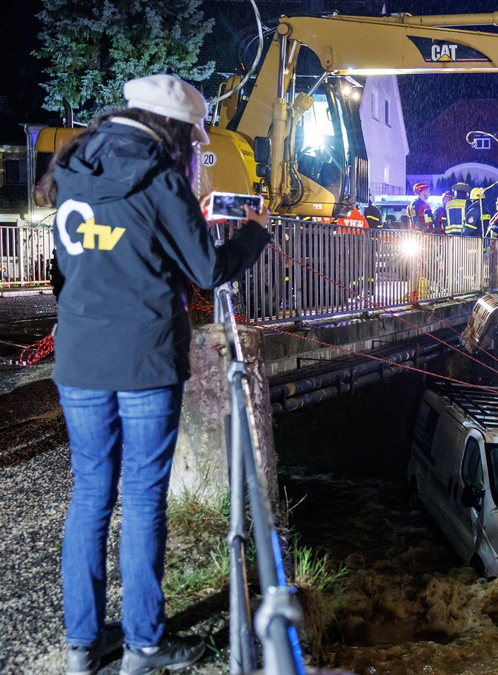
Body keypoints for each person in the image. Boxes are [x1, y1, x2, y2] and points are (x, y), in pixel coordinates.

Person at [42, 74, 271, 675]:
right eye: (193, 138)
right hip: (144, 357)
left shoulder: (74, 167)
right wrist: (256, 233)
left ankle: (82, 645)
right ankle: (144, 644)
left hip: (80, 355)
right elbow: (208, 270)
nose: (194, 149)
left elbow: (66, 264)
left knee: (90, 494)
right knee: (143, 497)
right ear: (172, 130)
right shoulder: (163, 179)